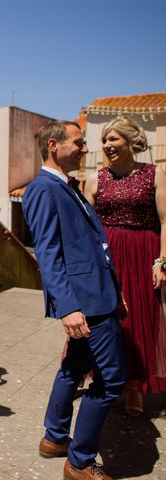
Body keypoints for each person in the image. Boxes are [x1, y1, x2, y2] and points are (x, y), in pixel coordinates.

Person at [23, 120, 125, 480]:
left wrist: (114, 291)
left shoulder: (69, 186)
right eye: (78, 143)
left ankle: (55, 437)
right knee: (111, 381)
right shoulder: (42, 189)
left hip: (98, 295)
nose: (85, 148)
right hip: (83, 301)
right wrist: (68, 307)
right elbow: (48, 253)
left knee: (74, 366)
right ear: (54, 145)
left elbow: (92, 246)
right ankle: (80, 462)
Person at [83, 116, 166, 416]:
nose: (107, 145)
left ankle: (135, 389)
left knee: (138, 318)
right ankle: (89, 371)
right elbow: (85, 227)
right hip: (107, 255)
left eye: (113, 139)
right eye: (104, 140)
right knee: (102, 317)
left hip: (143, 252)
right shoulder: (96, 178)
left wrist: (162, 261)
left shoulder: (156, 174)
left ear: (131, 142)